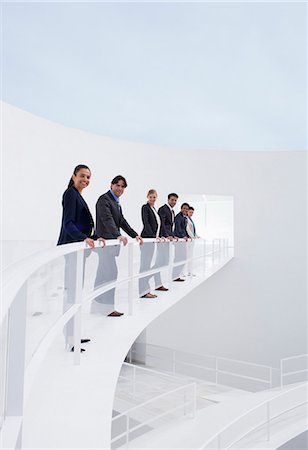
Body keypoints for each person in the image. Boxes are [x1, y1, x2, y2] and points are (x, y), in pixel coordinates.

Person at [57, 164, 105, 352]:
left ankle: (73, 335)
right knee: (72, 295)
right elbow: (68, 224)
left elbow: (80, 225)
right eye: (82, 176)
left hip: (79, 251)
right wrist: (83, 238)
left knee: (76, 294)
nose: (86, 180)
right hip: (72, 251)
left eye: (88, 177)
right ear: (74, 176)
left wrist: (93, 237)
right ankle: (70, 337)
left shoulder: (78, 195)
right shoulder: (70, 194)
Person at [93, 175, 143, 316]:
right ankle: (107, 308)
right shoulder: (104, 200)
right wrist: (117, 235)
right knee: (109, 274)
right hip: (106, 244)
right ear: (111, 185)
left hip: (110, 245)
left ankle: (97, 307)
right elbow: (107, 220)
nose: (120, 188)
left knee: (103, 275)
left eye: (122, 187)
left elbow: (121, 221)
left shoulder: (115, 202)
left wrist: (135, 235)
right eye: (118, 185)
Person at [139, 189, 168, 298]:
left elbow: (158, 225)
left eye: (154, 197)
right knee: (145, 265)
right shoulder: (145, 207)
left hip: (152, 240)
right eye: (150, 197)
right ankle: (143, 291)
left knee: (149, 264)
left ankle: (146, 286)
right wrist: (153, 237)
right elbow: (146, 223)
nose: (152, 199)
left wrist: (159, 237)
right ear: (147, 197)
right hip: (147, 240)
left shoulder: (154, 209)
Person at [173, 202, 190, 282]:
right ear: (181, 208)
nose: (185, 210)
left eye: (186, 209)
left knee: (183, 258)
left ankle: (176, 275)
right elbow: (178, 229)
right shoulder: (178, 217)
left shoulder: (184, 217)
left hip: (182, 240)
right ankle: (174, 276)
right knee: (179, 258)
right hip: (179, 240)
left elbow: (185, 228)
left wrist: (188, 236)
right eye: (184, 208)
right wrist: (183, 236)